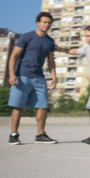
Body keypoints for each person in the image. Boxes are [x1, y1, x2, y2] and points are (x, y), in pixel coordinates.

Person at [7, 11, 58, 145]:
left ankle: (40, 135)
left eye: (49, 23)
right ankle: (13, 134)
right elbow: (14, 56)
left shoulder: (50, 41)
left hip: (39, 77)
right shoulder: (27, 36)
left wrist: (54, 77)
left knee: (43, 106)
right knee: (18, 106)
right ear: (38, 23)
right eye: (44, 22)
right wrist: (12, 74)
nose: (47, 25)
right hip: (22, 76)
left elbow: (51, 62)